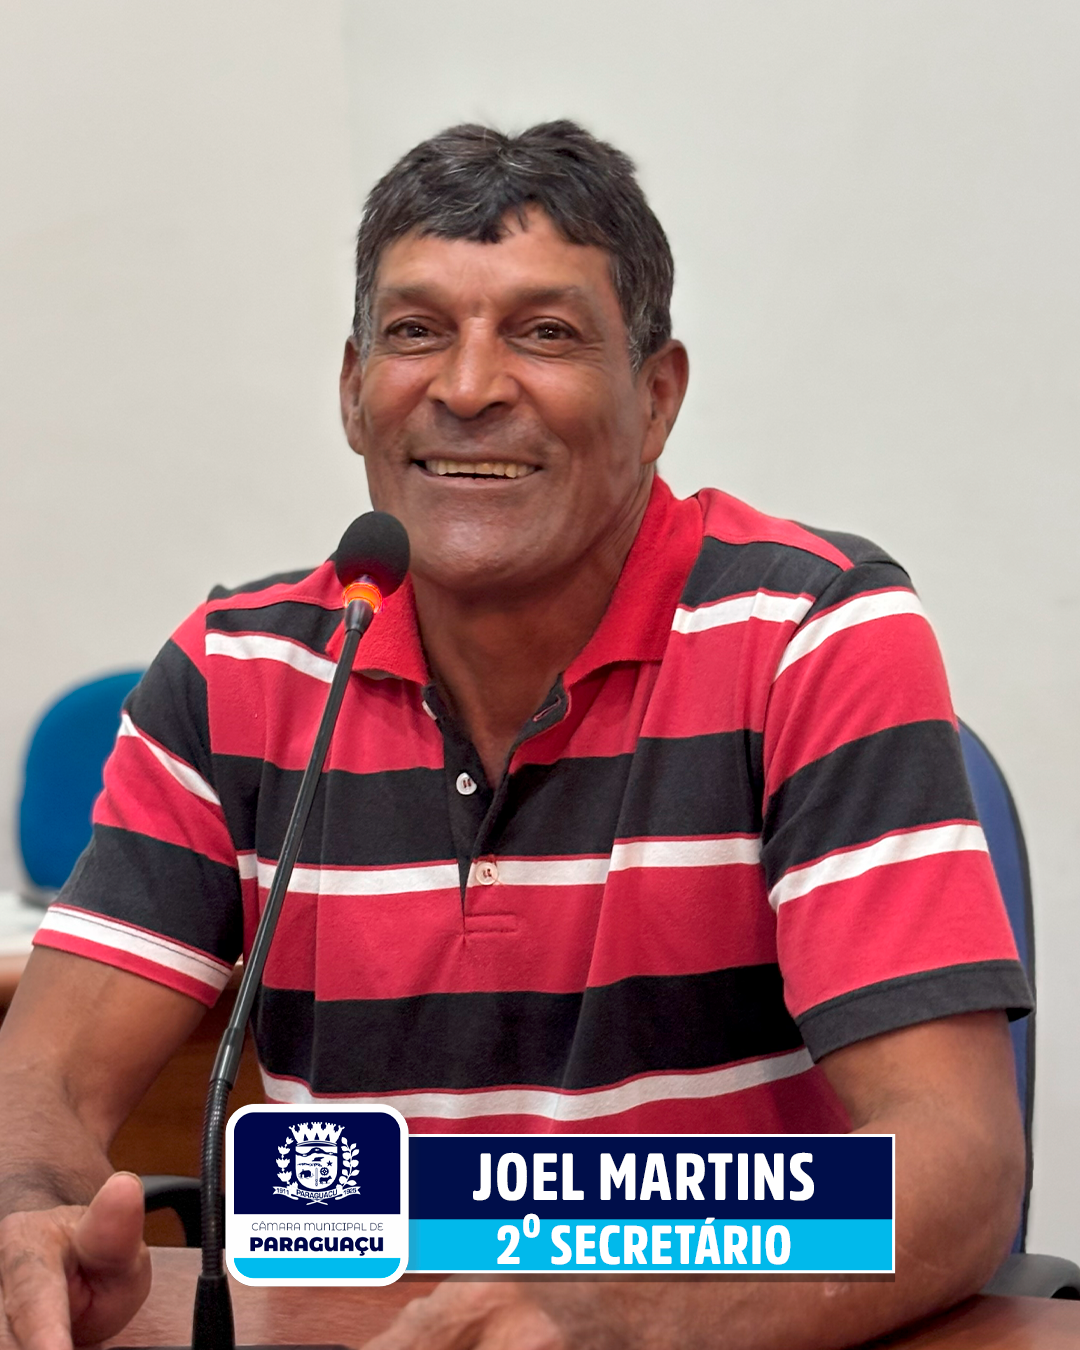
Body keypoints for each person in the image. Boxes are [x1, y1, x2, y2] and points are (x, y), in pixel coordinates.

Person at [0, 121, 1031, 1350]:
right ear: (351, 391)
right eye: (416, 331)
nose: (469, 387)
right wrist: (27, 1216)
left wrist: (608, 1315)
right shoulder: (239, 673)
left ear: (657, 398)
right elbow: (41, 1084)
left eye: (544, 333)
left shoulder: (809, 636)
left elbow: (958, 1162)